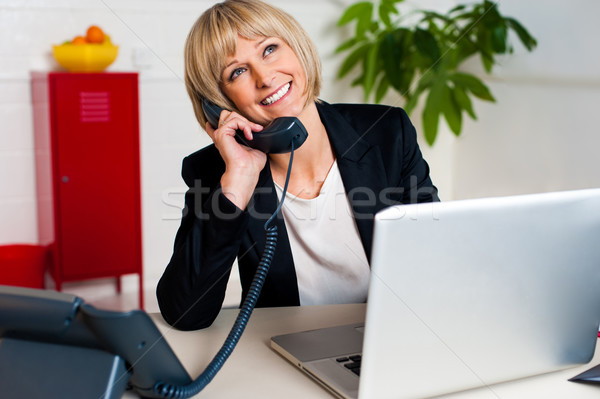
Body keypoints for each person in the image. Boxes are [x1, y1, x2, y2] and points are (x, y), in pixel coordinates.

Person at [157, 0, 439, 331]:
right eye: (238, 71)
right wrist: (238, 182)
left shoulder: (388, 132)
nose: (264, 77)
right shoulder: (216, 171)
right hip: (289, 347)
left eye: (269, 49)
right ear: (220, 102)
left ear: (297, 46)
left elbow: (434, 257)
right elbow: (185, 314)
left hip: (392, 334)